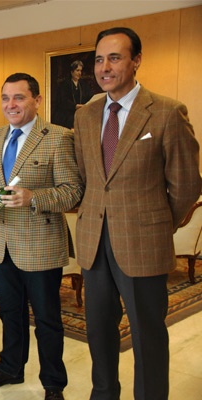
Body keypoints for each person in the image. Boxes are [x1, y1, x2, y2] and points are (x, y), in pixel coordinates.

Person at [73, 27, 202, 399]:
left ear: (136, 61)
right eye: (99, 59)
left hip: (144, 243)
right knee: (99, 330)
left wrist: (156, 223)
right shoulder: (85, 115)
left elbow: (186, 185)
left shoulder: (166, 111)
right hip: (93, 242)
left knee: (147, 335)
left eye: (114, 58)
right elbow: (87, 175)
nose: (104, 67)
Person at [0, 73, 83, 400]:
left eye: (19, 97)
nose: (11, 104)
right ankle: (10, 368)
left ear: (37, 100)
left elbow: (72, 191)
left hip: (40, 245)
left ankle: (53, 384)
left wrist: (33, 197)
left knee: (47, 319)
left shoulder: (58, 137)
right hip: (0, 244)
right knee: (9, 313)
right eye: (5, 98)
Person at [52, 60, 94, 129]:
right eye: (77, 70)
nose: (79, 73)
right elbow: (63, 100)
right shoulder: (64, 84)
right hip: (67, 117)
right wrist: (75, 106)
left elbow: (90, 97)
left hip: (81, 116)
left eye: (80, 71)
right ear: (72, 72)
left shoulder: (83, 85)